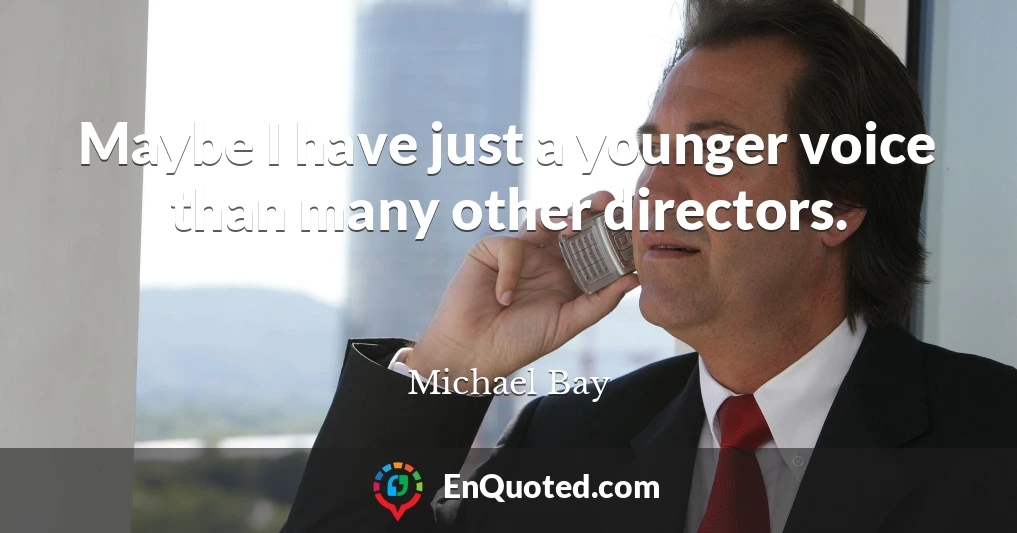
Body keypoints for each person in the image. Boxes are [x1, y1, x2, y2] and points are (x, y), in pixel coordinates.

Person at [282, 1, 1017, 532]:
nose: (655, 189)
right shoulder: (565, 445)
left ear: (837, 205)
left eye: (714, 150)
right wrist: (449, 367)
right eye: (654, 151)